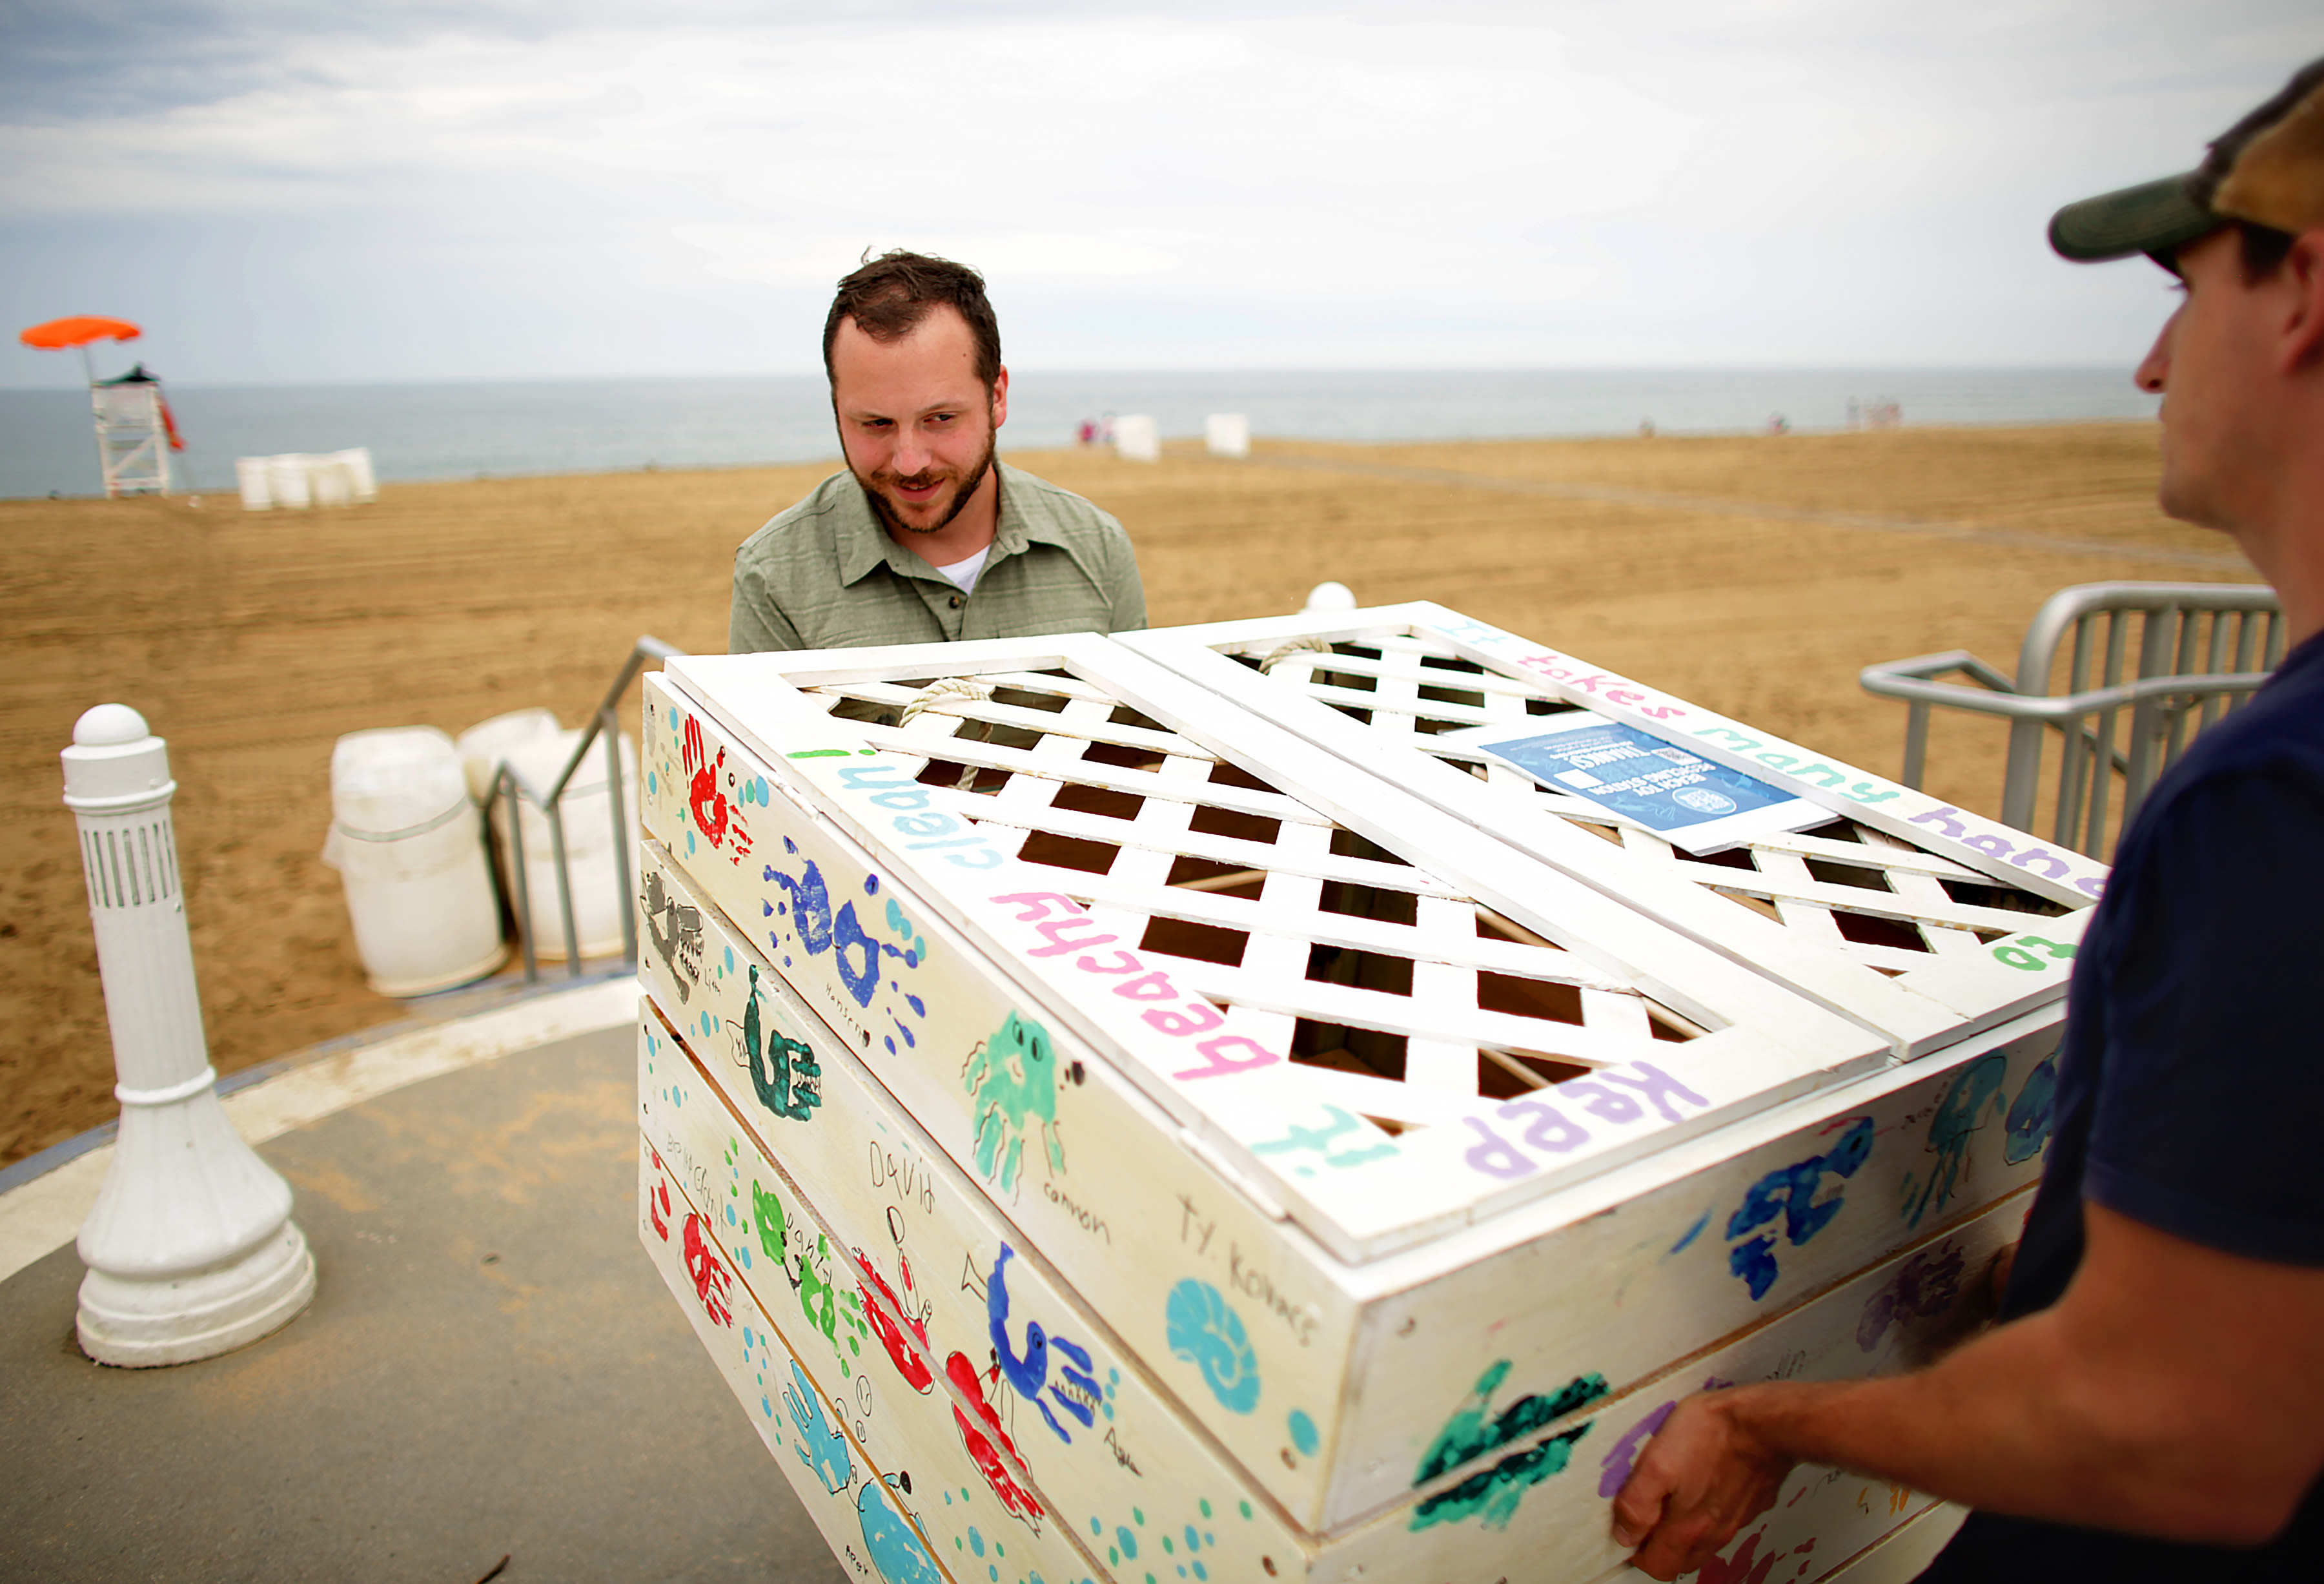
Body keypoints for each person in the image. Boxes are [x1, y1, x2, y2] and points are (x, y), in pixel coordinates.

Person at [1613, 58, 2324, 1582]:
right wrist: (2070, 1273)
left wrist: (1770, 1422)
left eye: (2181, 287)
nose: (2145, 365)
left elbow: (2172, 1428)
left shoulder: (2270, 804)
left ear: (2304, 288)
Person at [729, 251, 1146, 653]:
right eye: (876, 424)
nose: (910, 463)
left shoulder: (1098, 547)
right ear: (838, 409)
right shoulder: (773, 575)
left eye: (941, 418)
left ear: (996, 397)